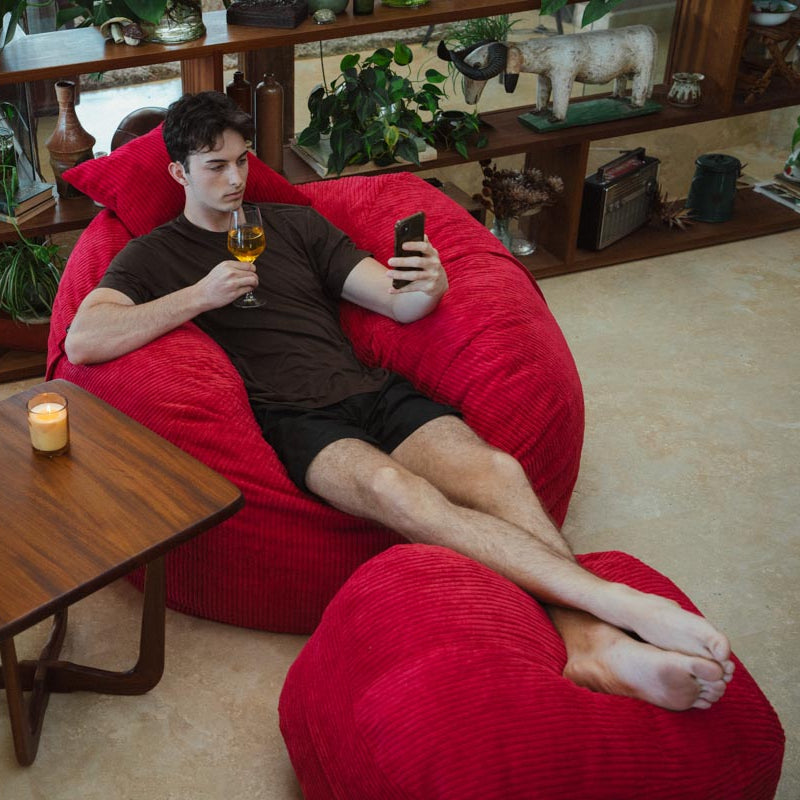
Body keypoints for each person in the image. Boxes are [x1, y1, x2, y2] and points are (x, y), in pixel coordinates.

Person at [66, 91, 734, 711]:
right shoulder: (152, 256)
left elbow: (392, 299)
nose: (235, 180)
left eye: (242, 161)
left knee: (497, 471)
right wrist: (200, 297)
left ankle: (590, 641)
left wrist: (428, 285)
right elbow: (85, 339)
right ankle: (617, 606)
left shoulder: (296, 225)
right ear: (179, 172)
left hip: (370, 389)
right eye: (215, 166)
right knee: (398, 492)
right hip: (296, 421)